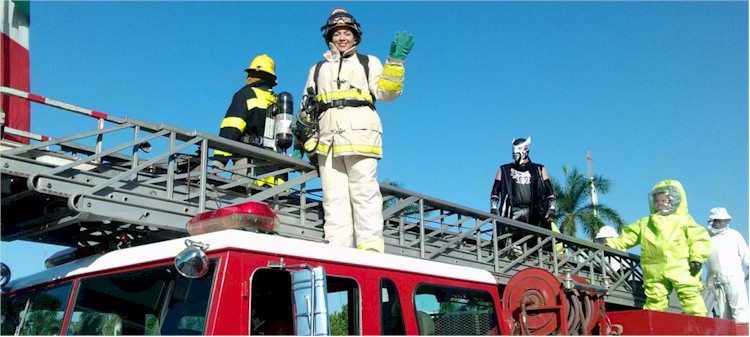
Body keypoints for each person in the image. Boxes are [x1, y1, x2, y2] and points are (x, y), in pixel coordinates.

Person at [298, 7, 414, 252]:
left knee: (364, 194)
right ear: (329, 37)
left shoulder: (368, 62)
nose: (342, 38)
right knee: (333, 198)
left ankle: (370, 248)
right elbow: (306, 108)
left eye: (346, 33)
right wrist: (303, 140)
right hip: (327, 141)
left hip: (361, 136)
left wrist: (395, 62)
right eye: (337, 33)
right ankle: (337, 247)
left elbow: (387, 93)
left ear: (355, 36)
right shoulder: (317, 69)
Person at [605, 179, 711, 316]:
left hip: (682, 267)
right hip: (654, 270)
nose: (660, 203)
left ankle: (699, 325)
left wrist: (697, 257)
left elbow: (699, 239)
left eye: (664, 200)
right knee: (654, 299)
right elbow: (627, 237)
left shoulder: (684, 220)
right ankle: (653, 325)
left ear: (675, 200)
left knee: (689, 294)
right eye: (657, 200)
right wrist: (609, 243)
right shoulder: (645, 222)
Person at [213, 54, 282, 187]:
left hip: (249, 166)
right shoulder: (278, 101)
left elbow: (231, 129)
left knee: (241, 205)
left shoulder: (246, 95)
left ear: (253, 74)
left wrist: (218, 163)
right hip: (277, 170)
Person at [490, 137, 556, 254]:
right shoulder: (504, 169)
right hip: (511, 213)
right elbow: (495, 189)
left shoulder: (539, 169)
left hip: (533, 214)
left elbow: (549, 190)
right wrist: (494, 208)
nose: (515, 155)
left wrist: (552, 208)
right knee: (508, 244)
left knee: (535, 246)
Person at [704, 207, 749, 322]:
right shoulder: (705, 238)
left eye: (724, 220)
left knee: (740, 312)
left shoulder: (734, 235)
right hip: (714, 282)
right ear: (712, 221)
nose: (722, 223)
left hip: (734, 279)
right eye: (719, 221)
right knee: (723, 315)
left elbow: (745, 253)